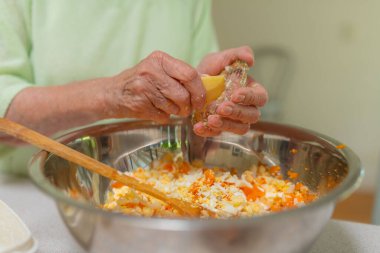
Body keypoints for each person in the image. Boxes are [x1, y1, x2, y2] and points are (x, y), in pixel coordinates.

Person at [0, 0, 268, 175]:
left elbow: (197, 119)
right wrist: (111, 95)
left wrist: (216, 100)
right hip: (34, 198)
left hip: (160, 187)